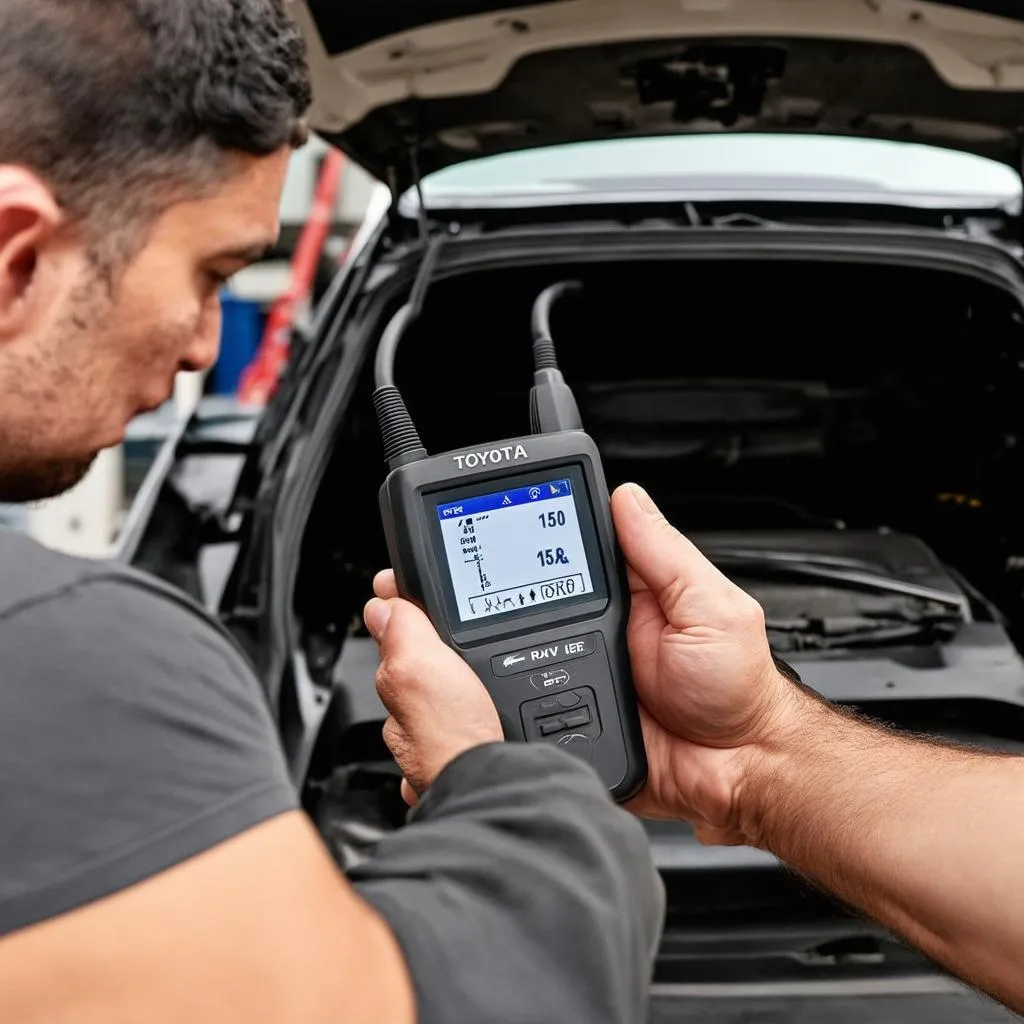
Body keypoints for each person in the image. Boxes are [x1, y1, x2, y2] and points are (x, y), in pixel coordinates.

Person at [0, 3, 663, 1022]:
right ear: (16, 261)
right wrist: (513, 781)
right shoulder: (70, 650)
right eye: (211, 272)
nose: (197, 351)